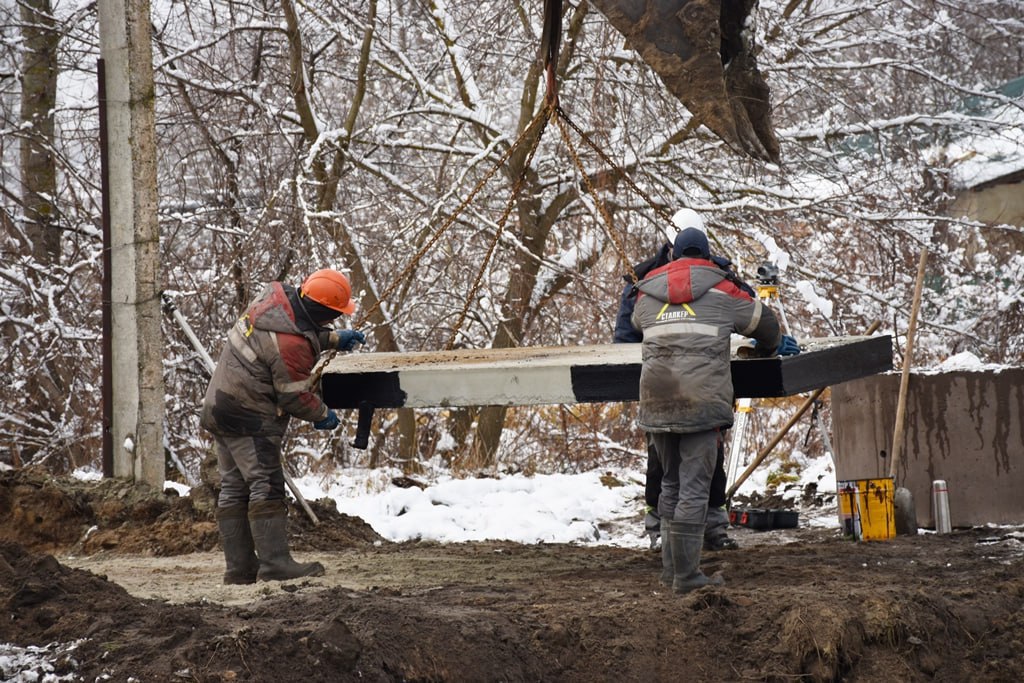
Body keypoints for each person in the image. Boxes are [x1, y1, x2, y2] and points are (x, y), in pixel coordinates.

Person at [630, 224, 799, 593]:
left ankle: (672, 572)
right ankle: (689, 579)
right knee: (694, 488)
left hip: (657, 401)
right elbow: (764, 323)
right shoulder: (722, 287)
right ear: (706, 256)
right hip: (701, 403)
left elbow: (635, 322)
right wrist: (769, 347)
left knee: (671, 484)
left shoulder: (646, 292)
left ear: (674, 255)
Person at [201, 269, 366, 584]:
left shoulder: (274, 302)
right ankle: (275, 564)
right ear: (324, 312)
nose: (334, 321)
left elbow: (291, 333)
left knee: (235, 486)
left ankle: (239, 570)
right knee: (266, 483)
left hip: (221, 406)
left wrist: (333, 339)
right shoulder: (290, 345)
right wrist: (322, 414)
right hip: (248, 414)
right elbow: (292, 396)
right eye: (333, 318)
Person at [613, 209, 752, 553]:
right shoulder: (647, 280)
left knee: (680, 469)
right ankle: (674, 543)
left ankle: (686, 541)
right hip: (700, 386)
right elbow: (626, 338)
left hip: (663, 388)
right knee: (683, 468)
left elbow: (626, 333)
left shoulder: (650, 284)